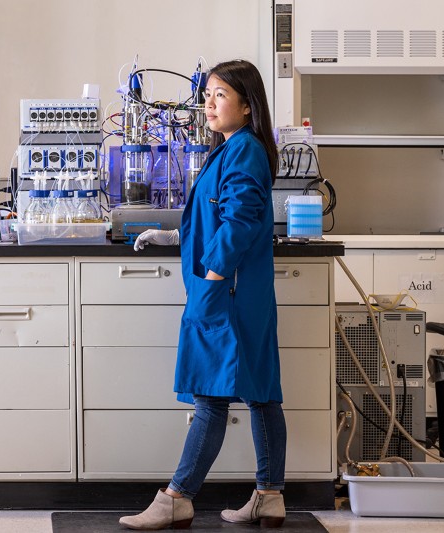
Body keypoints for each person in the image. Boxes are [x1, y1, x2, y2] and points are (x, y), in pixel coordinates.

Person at [121, 59, 285, 530]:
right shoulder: (232, 149)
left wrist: (213, 277)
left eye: (218, 95)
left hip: (226, 293)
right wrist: (169, 236)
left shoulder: (244, 151)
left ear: (247, 106)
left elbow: (240, 220)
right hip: (241, 293)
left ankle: (177, 497)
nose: (207, 103)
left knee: (211, 398)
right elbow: (213, 220)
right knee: (260, 395)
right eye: (207, 94)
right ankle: (269, 496)